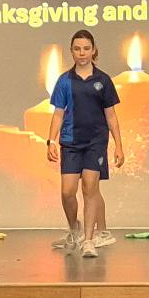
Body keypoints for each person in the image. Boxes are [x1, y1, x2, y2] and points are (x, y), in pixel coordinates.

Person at [46, 28, 123, 259]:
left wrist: (119, 145)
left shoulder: (103, 80)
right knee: (67, 192)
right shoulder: (64, 81)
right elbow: (58, 113)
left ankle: (89, 240)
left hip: (96, 142)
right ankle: (74, 229)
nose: (82, 53)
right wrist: (51, 140)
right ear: (71, 51)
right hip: (70, 142)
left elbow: (111, 116)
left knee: (90, 188)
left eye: (86, 48)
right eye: (77, 49)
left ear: (94, 50)